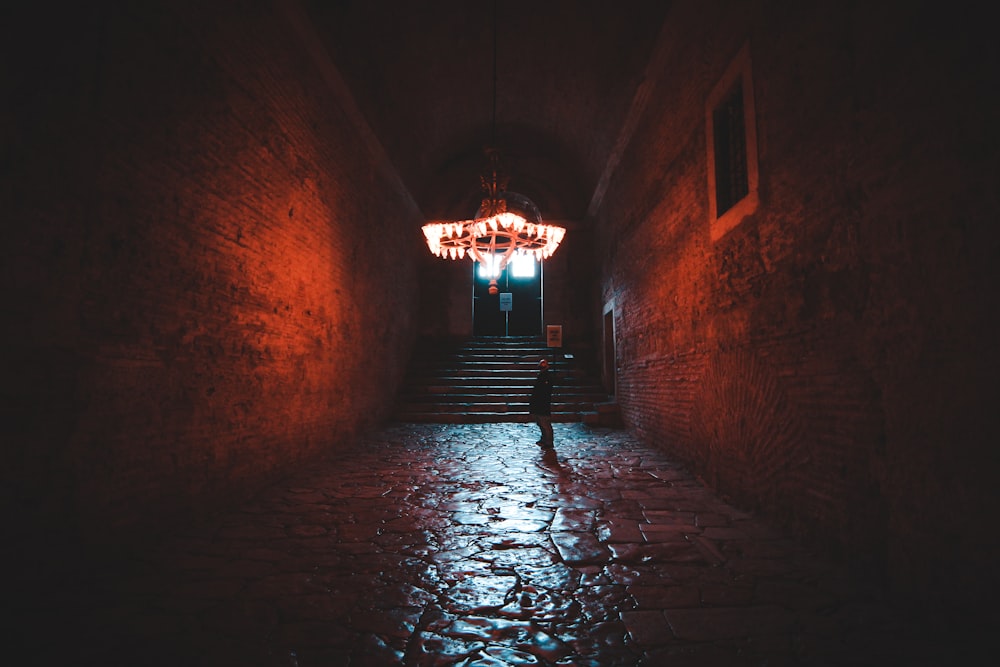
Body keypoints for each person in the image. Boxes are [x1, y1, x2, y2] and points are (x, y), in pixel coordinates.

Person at [529, 358, 555, 448]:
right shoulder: (541, 375)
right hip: (538, 403)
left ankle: (549, 442)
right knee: (540, 422)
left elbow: (545, 390)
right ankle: (544, 439)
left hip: (543, 403)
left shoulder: (547, 376)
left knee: (545, 423)